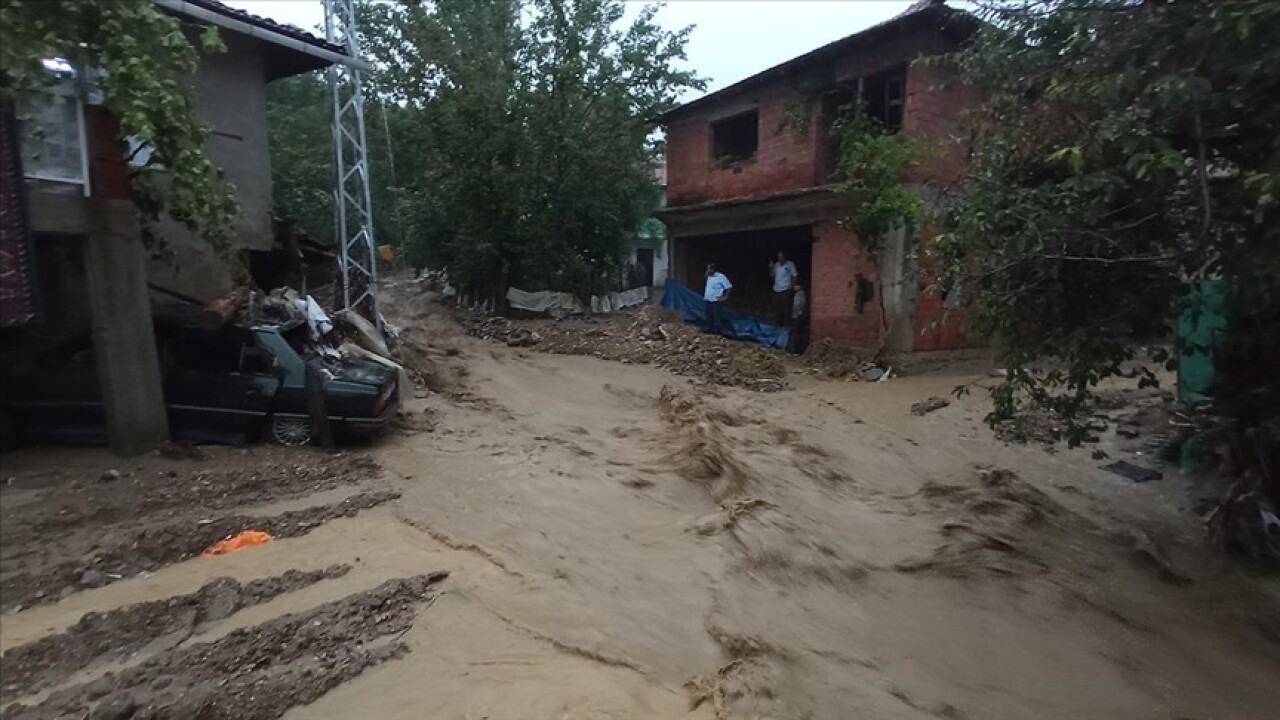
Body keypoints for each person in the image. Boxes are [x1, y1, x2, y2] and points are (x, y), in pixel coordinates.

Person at [769, 251, 798, 327]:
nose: (780, 258)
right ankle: (778, 325)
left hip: (786, 289)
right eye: (778, 257)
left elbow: (795, 275)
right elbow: (772, 275)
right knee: (777, 309)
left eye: (781, 257)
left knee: (786, 309)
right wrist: (771, 267)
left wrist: (791, 285)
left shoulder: (790, 264)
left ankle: (787, 325)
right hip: (776, 289)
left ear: (785, 257)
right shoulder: (776, 265)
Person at [703, 263, 733, 336]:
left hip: (715, 301)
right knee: (708, 316)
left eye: (709, 269)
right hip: (708, 299)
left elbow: (729, 287)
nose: (708, 271)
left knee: (717, 317)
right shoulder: (709, 276)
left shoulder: (721, 277)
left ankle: (721, 331)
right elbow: (705, 277)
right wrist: (706, 273)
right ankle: (710, 329)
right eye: (707, 269)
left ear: (713, 269)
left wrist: (725, 297)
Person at [789, 281, 809, 354]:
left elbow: (800, 306)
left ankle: (797, 350)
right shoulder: (798, 294)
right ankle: (797, 350)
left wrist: (798, 314)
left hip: (798, 317)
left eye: (796, 286)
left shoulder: (801, 294)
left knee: (797, 333)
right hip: (797, 316)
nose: (794, 287)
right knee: (797, 333)